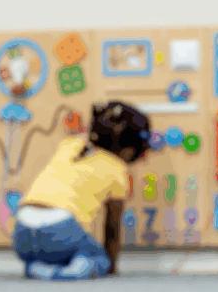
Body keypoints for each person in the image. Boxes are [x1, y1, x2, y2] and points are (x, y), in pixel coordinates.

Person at [13, 100, 150, 280]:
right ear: (129, 150)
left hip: (21, 232)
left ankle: (37, 267)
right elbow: (112, 227)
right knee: (98, 258)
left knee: (58, 248)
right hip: (60, 231)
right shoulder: (117, 170)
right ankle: (73, 271)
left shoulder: (69, 145)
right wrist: (111, 266)